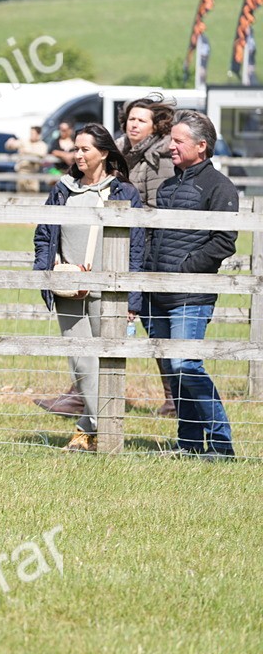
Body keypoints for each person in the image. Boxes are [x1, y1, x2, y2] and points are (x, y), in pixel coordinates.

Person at [33, 124, 144, 452]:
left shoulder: (124, 192)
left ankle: (91, 430)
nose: (78, 155)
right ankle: (102, 427)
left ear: (104, 152)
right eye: (76, 149)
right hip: (68, 287)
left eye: (85, 149)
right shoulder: (63, 189)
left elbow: (135, 247)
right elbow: (44, 233)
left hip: (108, 289)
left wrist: (132, 298)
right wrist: (49, 268)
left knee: (106, 361)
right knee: (81, 361)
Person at [144, 110, 238, 458]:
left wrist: (184, 268)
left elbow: (224, 241)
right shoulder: (169, 186)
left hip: (190, 295)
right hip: (158, 294)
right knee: (174, 369)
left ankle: (221, 443)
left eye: (178, 141)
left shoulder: (219, 187)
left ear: (201, 146)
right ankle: (188, 444)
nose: (171, 146)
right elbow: (155, 237)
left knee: (186, 365)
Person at [115, 93, 177, 416]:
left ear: (155, 126)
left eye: (141, 120)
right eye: (130, 119)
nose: (133, 124)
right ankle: (83, 393)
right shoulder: (124, 153)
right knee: (127, 319)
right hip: (125, 245)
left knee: (155, 323)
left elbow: (160, 208)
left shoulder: (158, 156)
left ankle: (174, 398)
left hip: (150, 250)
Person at [5, 126, 47, 193]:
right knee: (21, 194)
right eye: (31, 133)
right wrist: (10, 143)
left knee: (33, 193)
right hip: (22, 171)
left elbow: (41, 155)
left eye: (33, 133)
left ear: (38, 134)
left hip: (34, 173)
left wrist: (26, 152)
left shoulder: (42, 145)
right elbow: (11, 146)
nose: (31, 135)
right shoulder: (24, 141)